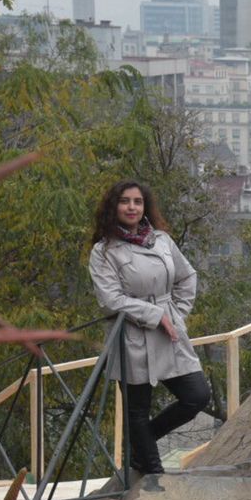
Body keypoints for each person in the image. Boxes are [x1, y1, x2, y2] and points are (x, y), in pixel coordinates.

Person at [88, 180, 209, 477]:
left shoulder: (162, 240)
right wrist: (155, 315)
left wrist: (176, 313)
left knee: (197, 396)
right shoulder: (104, 251)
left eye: (138, 202)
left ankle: (142, 444)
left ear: (145, 206)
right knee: (137, 410)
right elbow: (110, 300)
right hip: (130, 333)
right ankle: (150, 467)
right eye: (125, 201)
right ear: (113, 206)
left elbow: (187, 276)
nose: (132, 207)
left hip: (169, 331)